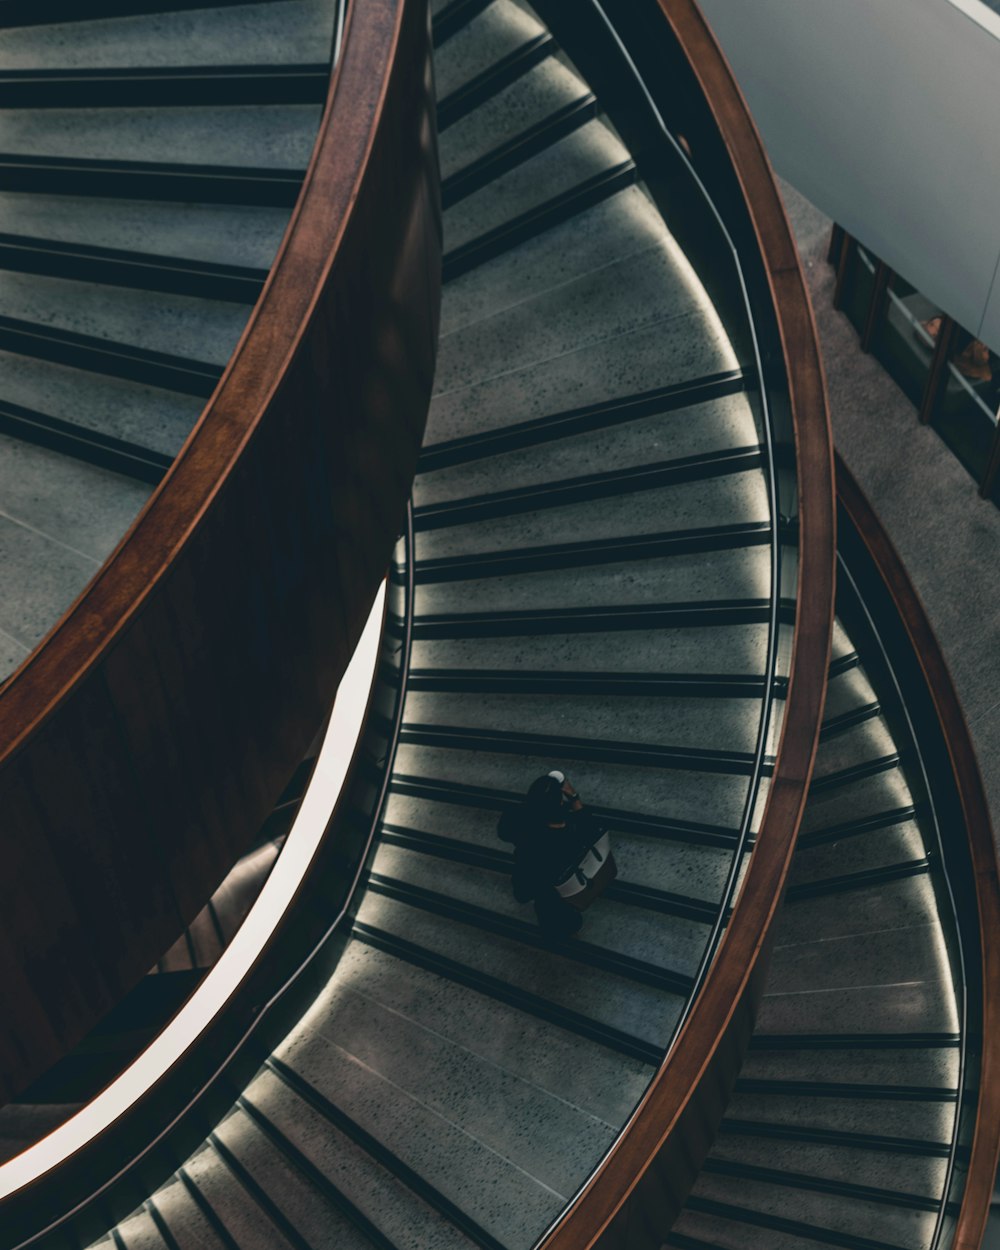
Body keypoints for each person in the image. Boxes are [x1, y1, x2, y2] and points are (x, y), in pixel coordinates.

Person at [498, 770, 599, 938]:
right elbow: (590, 830)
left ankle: (555, 929)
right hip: (562, 883)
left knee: (548, 908)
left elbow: (504, 833)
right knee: (562, 914)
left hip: (538, 884)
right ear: (560, 802)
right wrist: (574, 797)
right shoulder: (566, 833)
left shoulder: (521, 821)